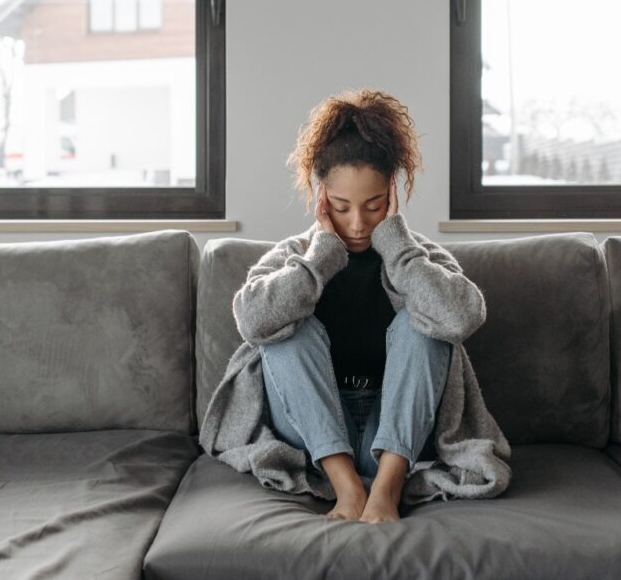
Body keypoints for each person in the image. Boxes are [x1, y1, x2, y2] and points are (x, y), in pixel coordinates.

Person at [199, 89, 511, 524]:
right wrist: (318, 261)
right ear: (320, 195)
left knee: (424, 323)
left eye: (374, 206)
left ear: (393, 196)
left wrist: (399, 248)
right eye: (342, 207)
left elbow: (462, 317)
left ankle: (385, 490)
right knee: (287, 331)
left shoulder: (416, 258)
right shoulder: (297, 255)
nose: (358, 223)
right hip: (315, 436)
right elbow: (252, 321)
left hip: (400, 434)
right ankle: (347, 489)